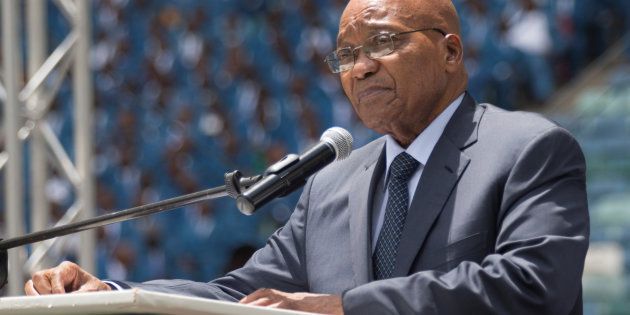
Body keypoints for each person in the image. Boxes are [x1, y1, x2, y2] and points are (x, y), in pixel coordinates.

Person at [25, 0, 589, 314]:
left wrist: (347, 307)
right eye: (345, 54)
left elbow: (533, 285)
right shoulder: (332, 186)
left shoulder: (527, 150)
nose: (360, 67)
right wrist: (117, 294)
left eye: (384, 43)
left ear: (450, 51)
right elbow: (235, 295)